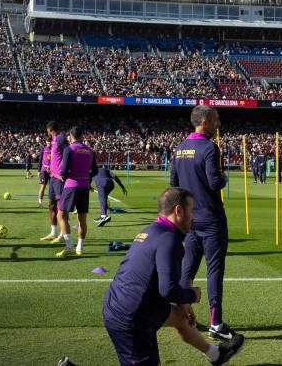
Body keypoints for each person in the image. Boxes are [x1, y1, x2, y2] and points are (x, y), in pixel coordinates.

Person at [101, 187, 245, 366]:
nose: (194, 217)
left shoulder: (152, 230)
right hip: (131, 318)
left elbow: (164, 282)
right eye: (192, 210)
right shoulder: (170, 240)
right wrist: (192, 295)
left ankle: (216, 355)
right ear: (178, 211)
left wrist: (183, 303)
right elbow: (168, 290)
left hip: (126, 304)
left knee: (182, 318)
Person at [169, 105, 237, 342]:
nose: (219, 122)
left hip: (189, 220)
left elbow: (173, 186)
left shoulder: (179, 149)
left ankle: (182, 313)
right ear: (206, 120)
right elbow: (215, 182)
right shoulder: (210, 148)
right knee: (214, 270)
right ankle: (216, 323)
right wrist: (225, 176)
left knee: (188, 268)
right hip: (211, 218)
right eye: (216, 118)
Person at [55, 126, 97, 257]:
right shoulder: (90, 151)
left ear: (70, 137)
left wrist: (63, 174)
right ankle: (80, 247)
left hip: (71, 185)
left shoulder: (69, 149)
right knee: (82, 218)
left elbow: (63, 170)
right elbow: (95, 170)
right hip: (84, 186)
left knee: (61, 215)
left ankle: (69, 246)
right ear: (82, 136)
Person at [44, 121, 69, 245]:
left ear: (50, 129)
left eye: (47, 130)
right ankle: (53, 231)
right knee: (51, 204)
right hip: (52, 176)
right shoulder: (54, 140)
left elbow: (68, 152)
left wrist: (63, 171)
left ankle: (62, 234)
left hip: (59, 178)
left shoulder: (60, 138)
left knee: (61, 207)